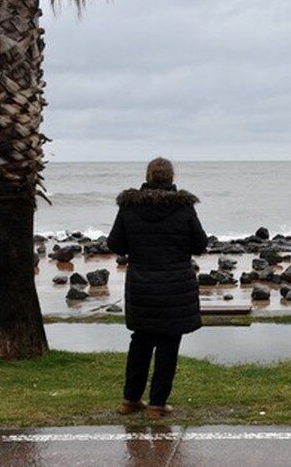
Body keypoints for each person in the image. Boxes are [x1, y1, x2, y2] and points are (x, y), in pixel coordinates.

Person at [108, 157, 208, 418]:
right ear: (171, 178)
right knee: (168, 344)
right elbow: (200, 244)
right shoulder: (183, 207)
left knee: (140, 341)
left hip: (141, 285)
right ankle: (157, 405)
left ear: (148, 177)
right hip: (175, 286)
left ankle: (130, 400)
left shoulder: (129, 206)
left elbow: (115, 244)